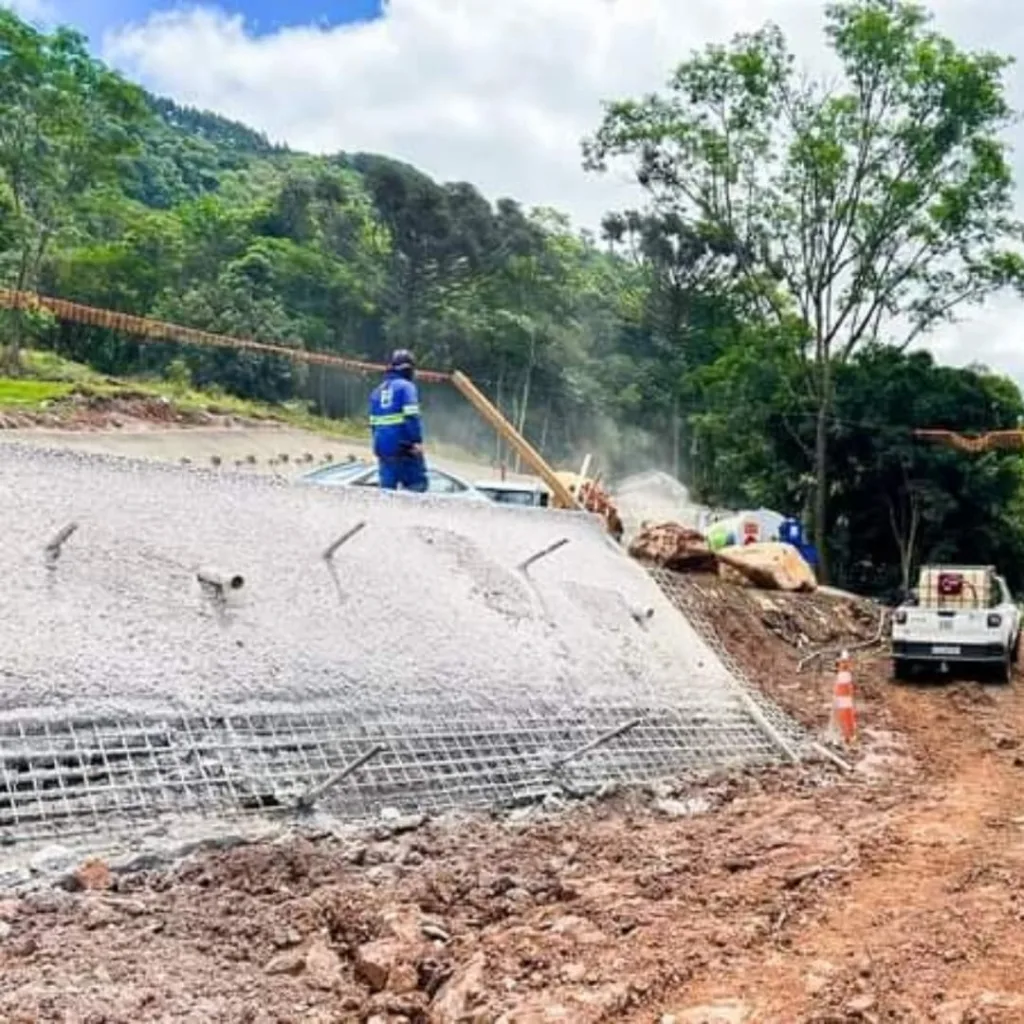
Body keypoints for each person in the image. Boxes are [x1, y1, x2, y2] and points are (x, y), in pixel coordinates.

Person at [369, 348, 428, 492]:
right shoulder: (407, 387)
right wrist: (416, 441)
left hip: (383, 449)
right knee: (418, 486)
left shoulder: (376, 391)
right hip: (404, 447)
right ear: (408, 369)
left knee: (387, 492)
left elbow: (373, 425)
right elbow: (411, 416)